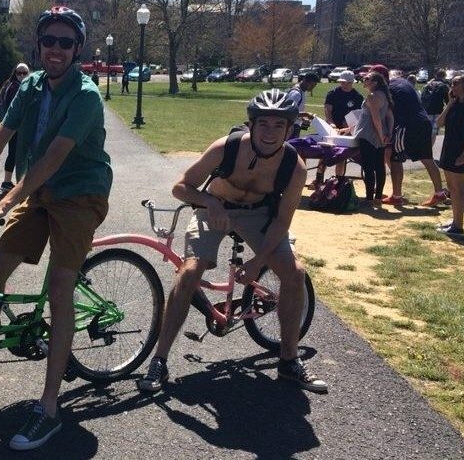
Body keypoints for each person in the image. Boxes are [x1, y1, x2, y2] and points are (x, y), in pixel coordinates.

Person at [0, 6, 112, 450]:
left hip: (79, 194)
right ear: (39, 44)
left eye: (66, 43)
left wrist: (4, 202)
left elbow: (53, 159)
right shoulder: (29, 86)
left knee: (60, 289)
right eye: (49, 41)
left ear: (78, 49)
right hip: (41, 192)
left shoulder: (86, 95)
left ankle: (49, 408)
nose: (56, 49)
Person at [136, 89, 327, 396]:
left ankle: (289, 360)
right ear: (251, 125)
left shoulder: (295, 168)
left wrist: (258, 262)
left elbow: (282, 221)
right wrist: (208, 201)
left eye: (280, 126)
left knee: (295, 273)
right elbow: (180, 187)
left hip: (259, 215)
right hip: (215, 207)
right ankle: (159, 360)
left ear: (291, 129)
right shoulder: (226, 148)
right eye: (264, 124)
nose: (270, 132)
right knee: (189, 273)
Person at [384, 67, 447, 207]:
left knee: (395, 157)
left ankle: (396, 196)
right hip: (424, 122)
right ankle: (439, 193)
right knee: (427, 159)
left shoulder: (390, 87)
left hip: (408, 125)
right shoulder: (407, 84)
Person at [435, 74, 464, 237]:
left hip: (461, 150)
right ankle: (455, 222)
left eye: (455, 83)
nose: (452, 86)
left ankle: (458, 227)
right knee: (452, 188)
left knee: (458, 188)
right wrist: (449, 104)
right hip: (448, 148)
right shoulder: (454, 104)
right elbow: (439, 123)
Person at [337, 71, 392, 205]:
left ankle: (369, 199)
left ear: (375, 83)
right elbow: (390, 117)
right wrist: (388, 134)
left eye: (367, 78)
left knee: (369, 167)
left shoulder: (372, 97)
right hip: (379, 134)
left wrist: (380, 136)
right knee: (379, 166)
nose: (363, 80)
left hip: (369, 135)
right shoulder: (385, 95)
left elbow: (376, 119)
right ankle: (378, 198)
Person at [314, 70, 364, 185]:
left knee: (341, 155)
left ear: (352, 82)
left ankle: (338, 181)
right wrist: (331, 124)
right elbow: (328, 110)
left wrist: (348, 128)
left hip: (348, 130)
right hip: (331, 128)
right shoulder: (333, 93)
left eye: (346, 82)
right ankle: (318, 179)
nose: (343, 84)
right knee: (325, 153)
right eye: (342, 82)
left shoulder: (357, 97)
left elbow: (357, 115)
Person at [0, 63, 29, 196]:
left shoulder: (10, 85)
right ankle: (7, 182)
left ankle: (8, 182)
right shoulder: (15, 87)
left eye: (24, 73)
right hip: (15, 126)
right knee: (16, 153)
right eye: (19, 73)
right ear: (15, 73)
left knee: (14, 152)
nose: (21, 75)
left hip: (14, 126)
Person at [284, 71, 320, 139]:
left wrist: (303, 119)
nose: (313, 88)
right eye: (312, 85)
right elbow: (288, 111)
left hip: (295, 125)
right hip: (290, 127)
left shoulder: (302, 91)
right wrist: (306, 114)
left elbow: (296, 110)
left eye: (314, 85)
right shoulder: (296, 93)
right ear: (305, 81)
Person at [421, 69, 450, 138]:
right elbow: (448, 101)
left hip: (426, 110)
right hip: (437, 111)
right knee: (433, 132)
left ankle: (425, 146)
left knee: (427, 131)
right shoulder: (443, 86)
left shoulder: (428, 84)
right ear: (444, 76)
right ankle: (430, 148)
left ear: (436, 75)